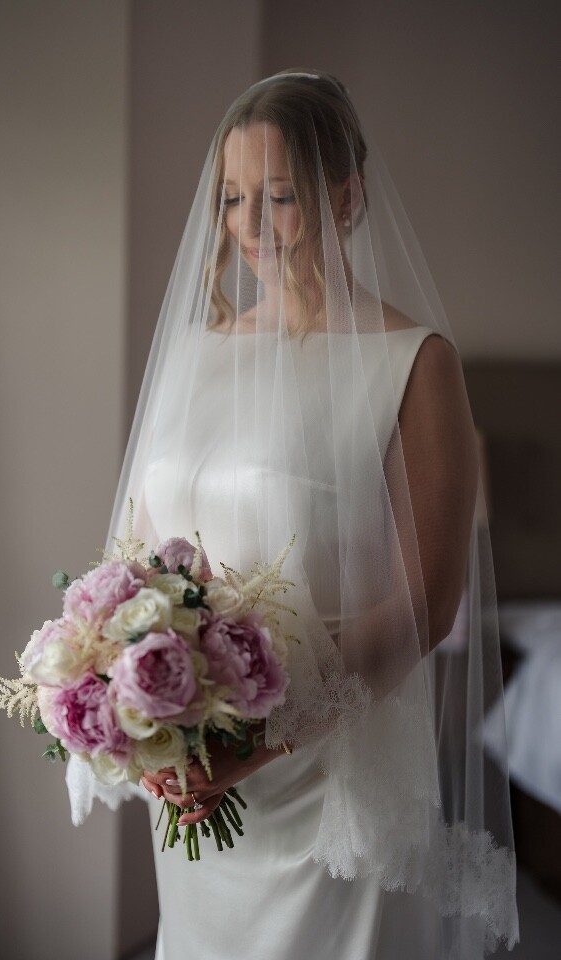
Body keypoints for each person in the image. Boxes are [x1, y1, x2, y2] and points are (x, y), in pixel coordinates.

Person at [93, 70, 518, 958]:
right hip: (201, 776)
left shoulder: (412, 363)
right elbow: (131, 559)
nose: (249, 227)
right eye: (234, 199)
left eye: (279, 197)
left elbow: (425, 605)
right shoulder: (193, 354)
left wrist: (261, 740)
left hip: (327, 783)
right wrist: (136, 698)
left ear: (348, 194)